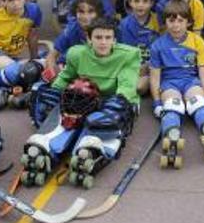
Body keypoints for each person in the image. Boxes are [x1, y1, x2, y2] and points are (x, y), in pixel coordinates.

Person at [24, 16, 141, 188]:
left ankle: (94, 147)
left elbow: (127, 86)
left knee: (103, 119)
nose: (103, 42)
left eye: (108, 38)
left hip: (114, 100)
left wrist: (115, 103)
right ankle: (48, 144)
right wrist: (55, 92)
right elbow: (66, 77)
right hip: (84, 98)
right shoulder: (77, 53)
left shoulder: (129, 55)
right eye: (98, 37)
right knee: (65, 107)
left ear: (114, 40)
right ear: (89, 39)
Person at [150, 0, 204, 167]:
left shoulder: (197, 41)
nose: (176, 26)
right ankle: (171, 135)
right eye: (171, 21)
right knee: (172, 107)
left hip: (190, 81)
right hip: (170, 83)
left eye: (181, 21)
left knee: (198, 103)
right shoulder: (157, 45)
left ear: (188, 22)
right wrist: (157, 102)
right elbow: (155, 76)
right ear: (165, 22)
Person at [43, 0, 102, 81]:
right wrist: (53, 72)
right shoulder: (72, 29)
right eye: (81, 12)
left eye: (91, 11)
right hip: (68, 69)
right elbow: (52, 55)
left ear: (98, 13)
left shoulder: (106, 32)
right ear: (75, 13)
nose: (86, 17)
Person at [117, 0, 160, 96]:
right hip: (134, 67)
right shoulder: (124, 25)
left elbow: (164, 49)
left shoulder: (158, 21)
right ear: (130, 2)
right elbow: (122, 52)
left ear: (152, 3)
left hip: (154, 66)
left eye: (145, 1)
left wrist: (149, 66)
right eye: (136, 1)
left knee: (141, 86)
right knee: (136, 87)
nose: (140, 5)